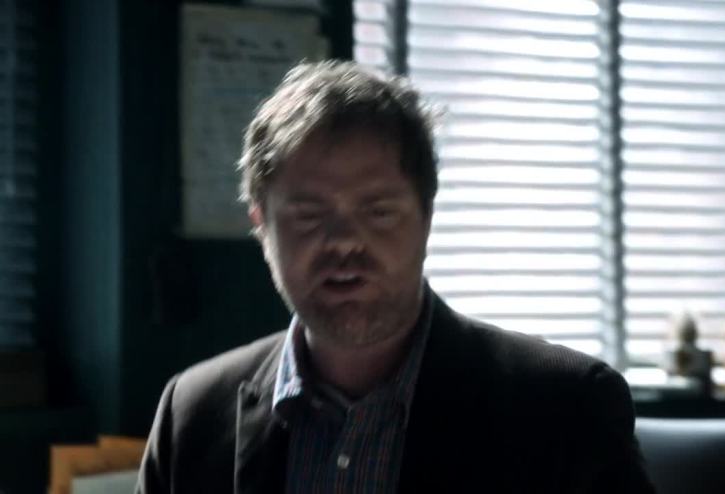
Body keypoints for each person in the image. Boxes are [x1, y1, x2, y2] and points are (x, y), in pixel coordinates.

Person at [136, 60, 654, 493]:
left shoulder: (564, 407)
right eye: (309, 215)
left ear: (426, 217)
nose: (345, 241)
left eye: (378, 212)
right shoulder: (193, 414)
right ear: (261, 226)